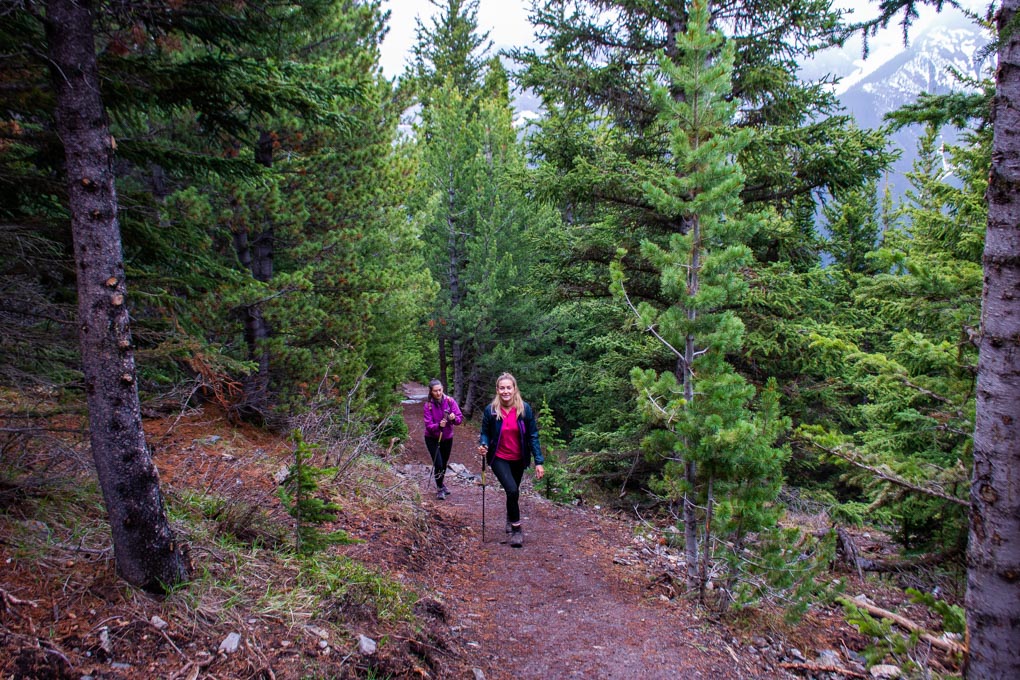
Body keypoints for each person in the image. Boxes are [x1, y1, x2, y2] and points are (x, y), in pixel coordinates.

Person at [477, 372, 544, 547]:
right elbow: (485, 432)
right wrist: (483, 443)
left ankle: (510, 516)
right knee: (512, 490)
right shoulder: (491, 410)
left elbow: (533, 436)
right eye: (502, 388)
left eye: (509, 387)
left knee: (513, 491)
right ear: (497, 390)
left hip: (519, 458)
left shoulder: (524, 409)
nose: (505, 391)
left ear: (514, 389)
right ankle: (516, 530)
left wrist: (538, 461)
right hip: (499, 457)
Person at [423, 379, 463, 500]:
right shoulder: (428, 405)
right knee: (438, 463)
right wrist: (438, 426)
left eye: (440, 390)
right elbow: (428, 426)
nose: (438, 393)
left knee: (444, 464)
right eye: (435, 391)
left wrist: (453, 418)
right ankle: (440, 488)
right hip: (432, 438)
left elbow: (459, 419)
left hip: (447, 437)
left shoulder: (450, 401)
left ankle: (441, 484)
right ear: (431, 391)